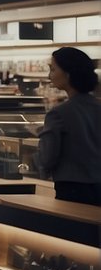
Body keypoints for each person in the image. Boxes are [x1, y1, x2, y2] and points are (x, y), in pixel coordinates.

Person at [36, 47, 100, 205]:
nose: (49, 75)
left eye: (53, 69)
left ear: (68, 73)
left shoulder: (58, 114)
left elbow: (47, 158)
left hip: (72, 189)